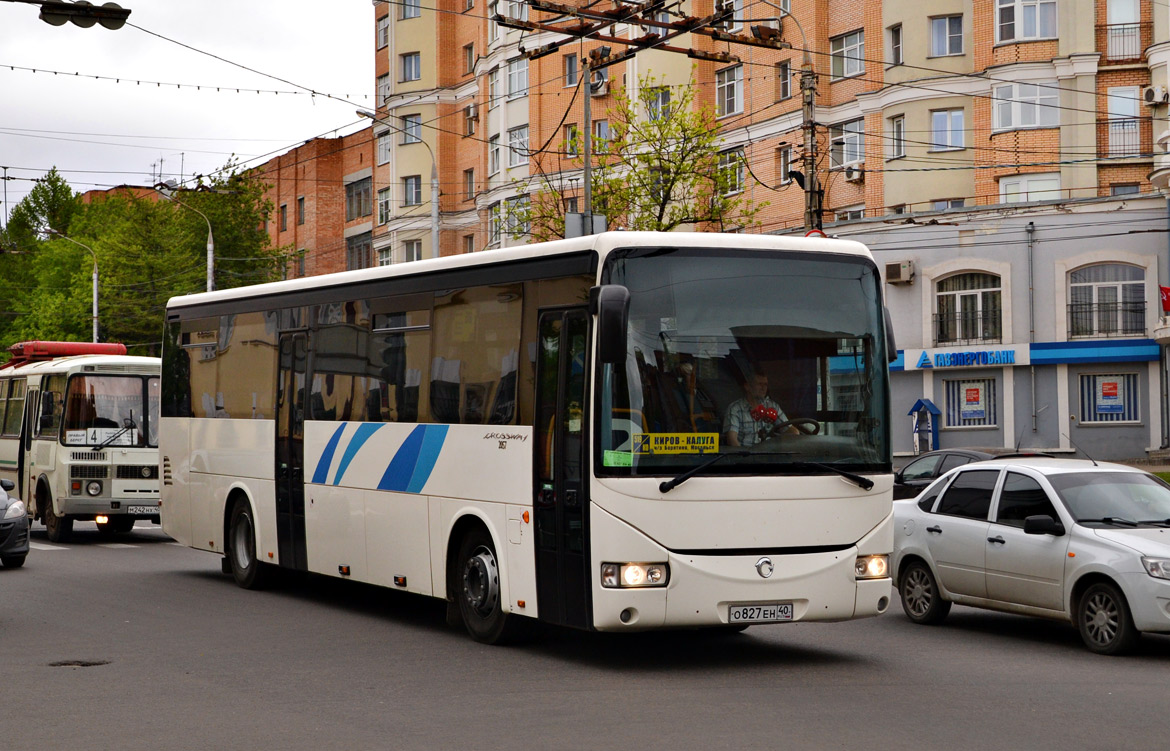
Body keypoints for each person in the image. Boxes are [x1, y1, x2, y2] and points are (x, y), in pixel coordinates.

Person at [724, 370, 797, 447]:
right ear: (747, 387)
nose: (763, 388)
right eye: (759, 384)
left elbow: (791, 431)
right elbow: (732, 441)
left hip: (768, 455)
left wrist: (781, 442)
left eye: (765, 384)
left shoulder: (772, 406)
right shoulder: (735, 409)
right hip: (745, 456)